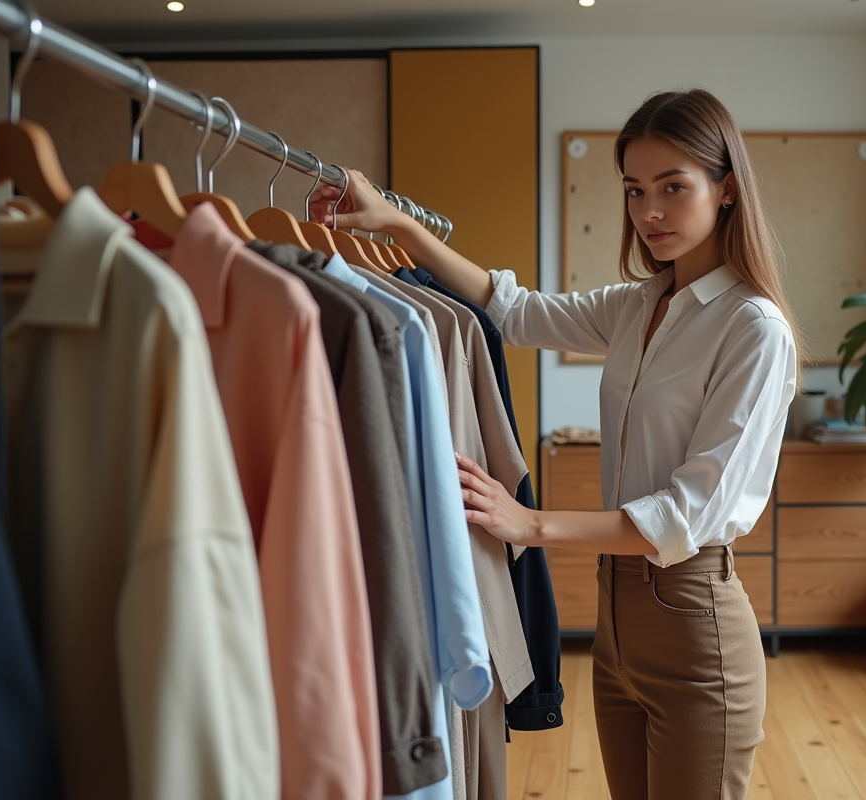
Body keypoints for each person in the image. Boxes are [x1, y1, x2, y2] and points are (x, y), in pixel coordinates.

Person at [310, 88, 799, 800]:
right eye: (635, 190)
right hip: (615, 617)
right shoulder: (640, 306)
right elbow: (514, 311)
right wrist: (399, 228)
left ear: (726, 190)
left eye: (673, 187)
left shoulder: (754, 329)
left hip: (697, 625)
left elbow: (690, 512)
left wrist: (531, 526)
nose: (649, 212)